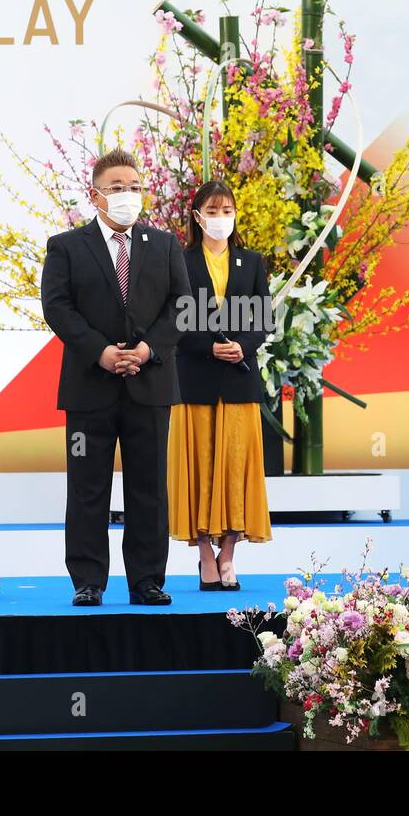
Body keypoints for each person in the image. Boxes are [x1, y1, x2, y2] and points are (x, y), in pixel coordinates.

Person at [40, 148, 192, 606]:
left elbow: (182, 306)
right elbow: (57, 307)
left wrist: (148, 349)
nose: (128, 195)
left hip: (150, 386)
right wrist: (100, 352)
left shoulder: (163, 245)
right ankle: (88, 580)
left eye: (134, 187)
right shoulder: (66, 246)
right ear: (95, 195)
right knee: (88, 487)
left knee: (149, 487)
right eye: (117, 188)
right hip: (90, 388)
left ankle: (147, 579)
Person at [168, 180, 272, 591]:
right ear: (197, 216)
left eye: (226, 211)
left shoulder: (252, 261)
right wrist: (210, 348)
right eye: (212, 211)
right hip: (194, 382)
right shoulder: (179, 260)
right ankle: (205, 557)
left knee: (236, 471)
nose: (220, 219)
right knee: (200, 471)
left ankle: (228, 553)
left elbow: (262, 319)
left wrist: (241, 348)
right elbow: (173, 319)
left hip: (240, 382)